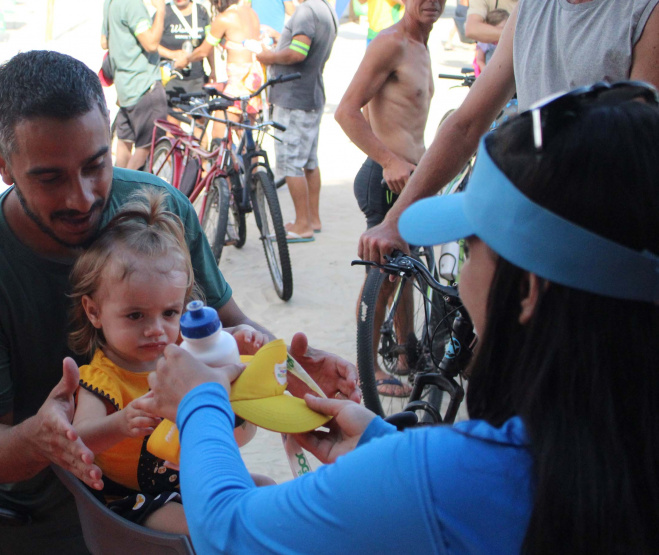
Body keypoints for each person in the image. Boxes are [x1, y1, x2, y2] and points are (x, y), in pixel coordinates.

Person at [147, 84, 659, 553]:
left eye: (471, 242)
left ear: (528, 290)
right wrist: (380, 445)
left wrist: (198, 403)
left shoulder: (447, 476)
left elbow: (229, 531)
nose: (459, 270)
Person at [0, 50, 357, 553]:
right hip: (28, 519)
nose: (82, 197)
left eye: (95, 164)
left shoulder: (160, 209)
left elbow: (226, 328)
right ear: (2, 164)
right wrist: (40, 439)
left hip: (174, 486)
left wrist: (291, 374)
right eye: (49, 177)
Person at [359, 0, 659, 264]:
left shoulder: (644, 12)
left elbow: (633, 152)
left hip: (593, 245)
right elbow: (466, 124)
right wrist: (394, 220)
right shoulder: (532, 8)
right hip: (526, 225)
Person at [69, 189, 269, 534]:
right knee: (209, 526)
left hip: (191, 480)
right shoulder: (101, 378)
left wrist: (235, 341)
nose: (156, 330)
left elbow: (220, 366)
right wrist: (122, 422)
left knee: (267, 490)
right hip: (132, 500)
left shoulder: (183, 353)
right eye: (135, 315)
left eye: (169, 313)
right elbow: (80, 440)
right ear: (94, 311)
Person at [334, 0, 441, 397]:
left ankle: (405, 354)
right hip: (384, 179)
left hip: (413, 181)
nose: (431, 1)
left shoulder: (422, 45)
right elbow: (346, 111)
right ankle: (369, 368)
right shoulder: (390, 42)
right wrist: (390, 159)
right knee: (383, 274)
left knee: (405, 268)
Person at [256, 0, 337, 242]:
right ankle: (312, 218)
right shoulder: (325, 9)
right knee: (309, 161)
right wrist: (280, 36)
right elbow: (304, 45)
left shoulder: (305, 11)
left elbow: (298, 52)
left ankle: (303, 224)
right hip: (311, 94)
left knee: (290, 163)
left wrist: (268, 57)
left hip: (295, 98)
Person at [104, 0, 169, 170]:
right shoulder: (132, 4)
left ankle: (114, 190)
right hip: (143, 86)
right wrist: (161, 10)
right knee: (148, 147)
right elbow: (151, 44)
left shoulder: (110, 3)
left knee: (124, 142)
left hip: (124, 87)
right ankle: (125, 193)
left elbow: (104, 41)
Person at [180, 0, 265, 118]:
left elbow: (204, 51)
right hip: (255, 74)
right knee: (244, 128)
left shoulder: (224, 18)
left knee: (219, 128)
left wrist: (186, 59)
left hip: (239, 78)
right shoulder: (251, 13)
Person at [158, 0, 216, 94]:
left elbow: (208, 45)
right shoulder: (164, 12)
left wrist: (213, 70)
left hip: (197, 79)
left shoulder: (201, 11)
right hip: (171, 79)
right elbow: (151, 44)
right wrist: (171, 54)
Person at [472, 8, 508, 75]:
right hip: (488, 73)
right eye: (500, 29)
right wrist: (486, 73)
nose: (502, 32)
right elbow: (479, 60)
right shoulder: (485, 43)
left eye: (505, 28)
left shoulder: (507, 42)